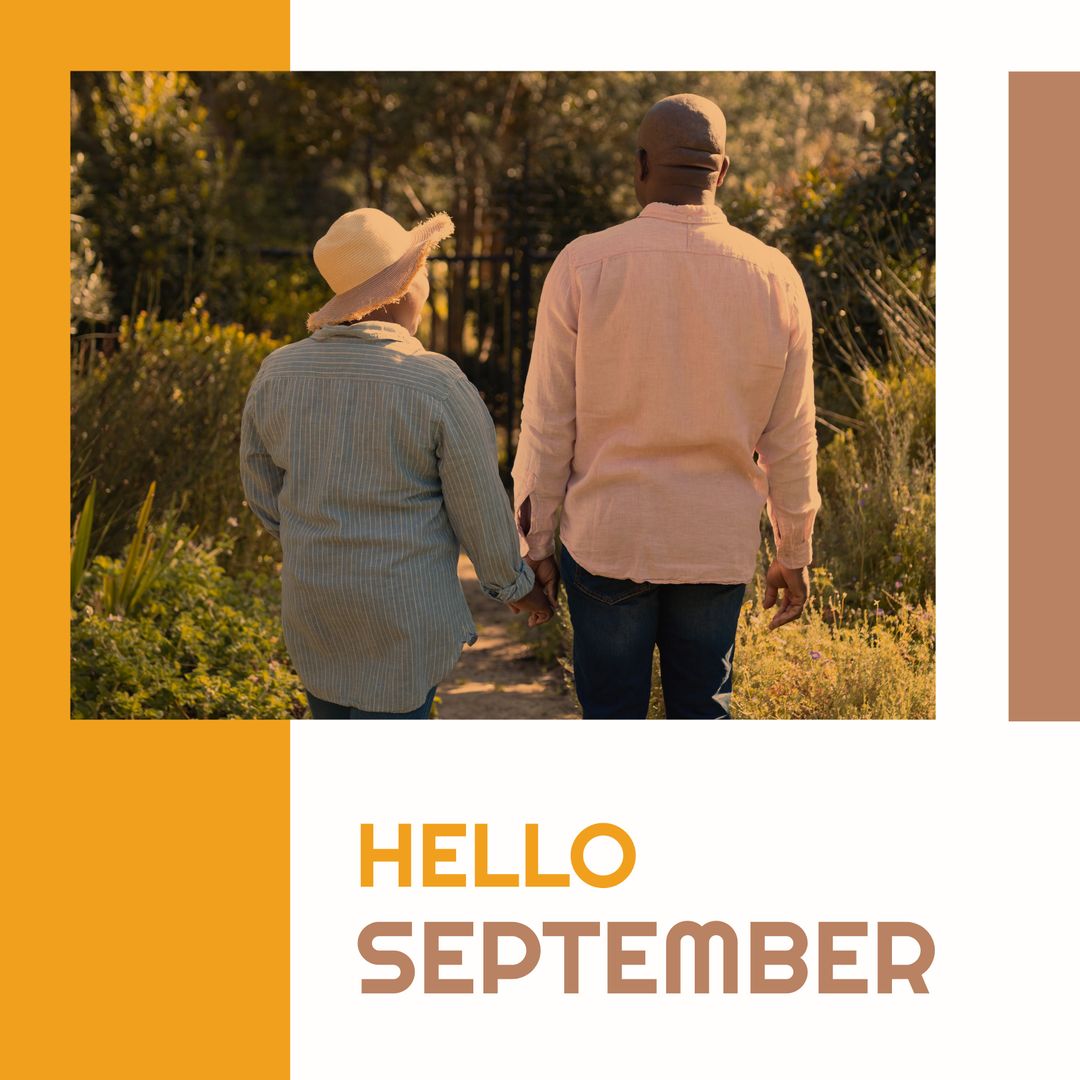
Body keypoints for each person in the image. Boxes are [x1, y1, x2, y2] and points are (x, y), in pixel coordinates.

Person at [513, 94, 821, 719]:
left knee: (612, 719)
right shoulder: (775, 276)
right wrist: (794, 551)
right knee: (703, 718)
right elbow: (791, 438)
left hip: (608, 538)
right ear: (723, 171)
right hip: (714, 543)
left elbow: (548, 422)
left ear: (640, 165)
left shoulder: (583, 265)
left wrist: (535, 542)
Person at [241, 207, 552, 719]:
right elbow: (478, 507)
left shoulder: (278, 373)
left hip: (315, 607)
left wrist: (318, 539)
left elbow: (260, 490)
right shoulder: (436, 383)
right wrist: (521, 589)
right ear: (407, 287)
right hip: (403, 620)